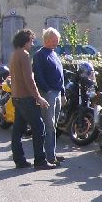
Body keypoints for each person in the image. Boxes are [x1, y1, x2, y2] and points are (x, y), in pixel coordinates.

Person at [8, 29, 54, 169]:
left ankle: (19, 160)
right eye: (31, 41)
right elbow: (29, 79)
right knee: (39, 128)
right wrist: (38, 97)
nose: (32, 44)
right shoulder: (24, 55)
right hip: (26, 98)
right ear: (25, 41)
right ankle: (40, 161)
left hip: (16, 96)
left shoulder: (14, 54)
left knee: (17, 130)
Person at [33, 27, 66, 164]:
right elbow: (38, 76)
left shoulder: (54, 53)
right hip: (49, 93)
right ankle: (50, 157)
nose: (56, 42)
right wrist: (47, 91)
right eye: (54, 40)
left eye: (57, 40)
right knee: (49, 125)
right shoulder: (40, 55)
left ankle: (52, 153)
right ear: (46, 39)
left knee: (54, 125)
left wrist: (63, 93)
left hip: (57, 93)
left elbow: (61, 75)